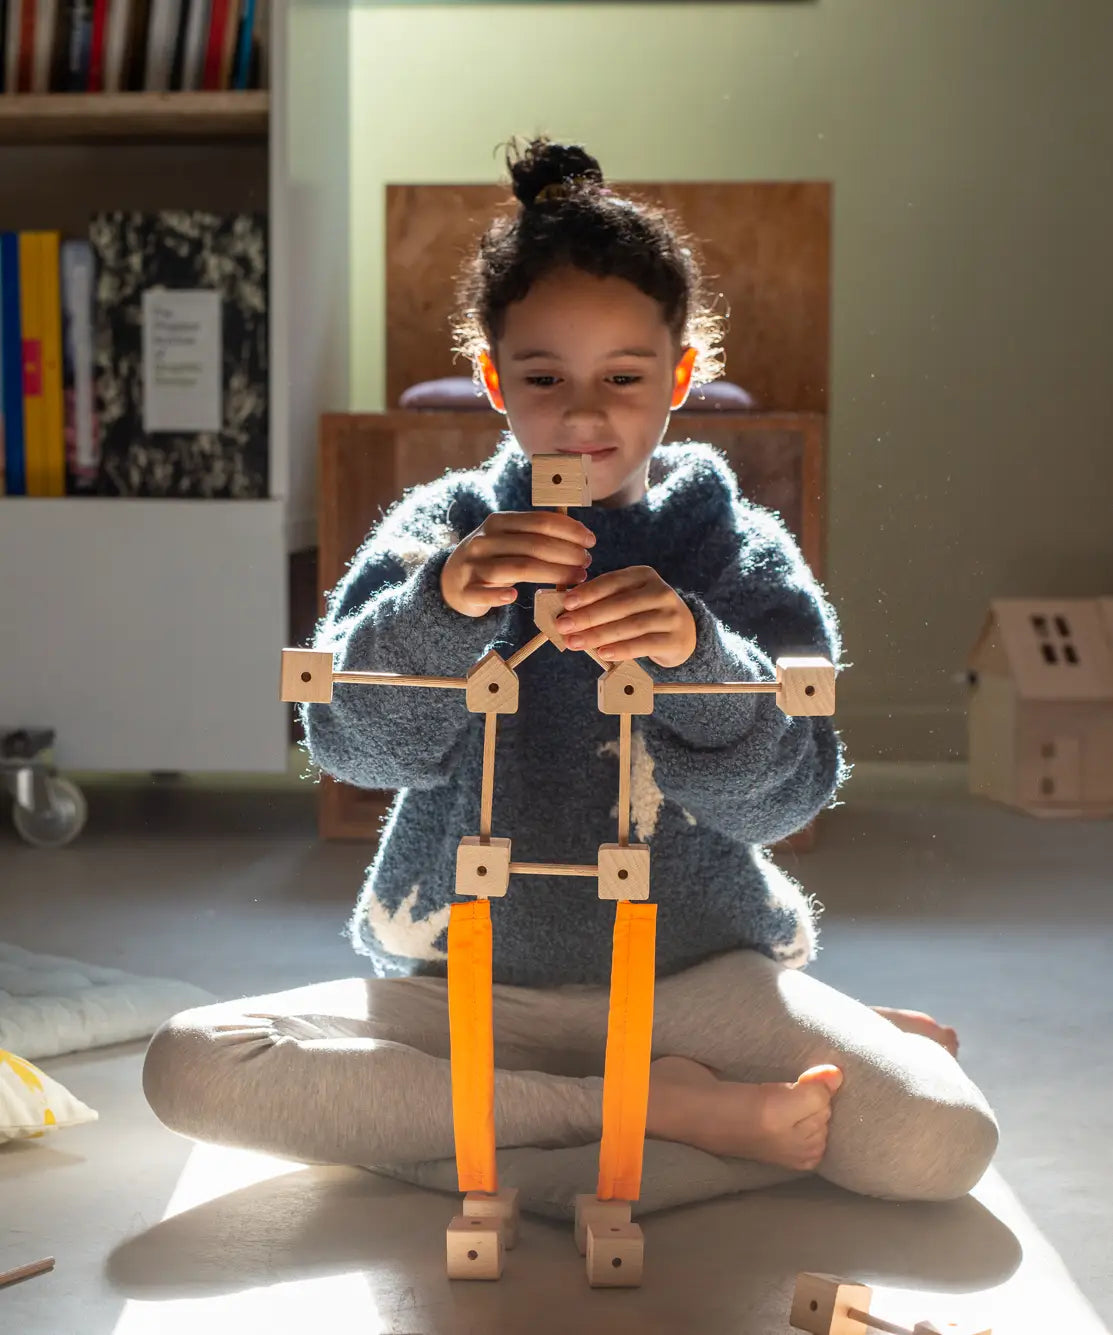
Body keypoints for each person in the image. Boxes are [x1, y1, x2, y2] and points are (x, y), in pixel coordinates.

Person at [142, 137, 998, 1222]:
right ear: (494, 380)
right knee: (191, 1064)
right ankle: (657, 1120)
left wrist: (699, 656)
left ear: (681, 377)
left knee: (941, 1142)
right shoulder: (436, 534)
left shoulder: (739, 552)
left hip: (692, 979)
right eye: (544, 378)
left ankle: (531, 1136)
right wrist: (439, 612)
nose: (585, 418)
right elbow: (353, 753)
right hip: (462, 984)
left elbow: (784, 798)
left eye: (625, 380)